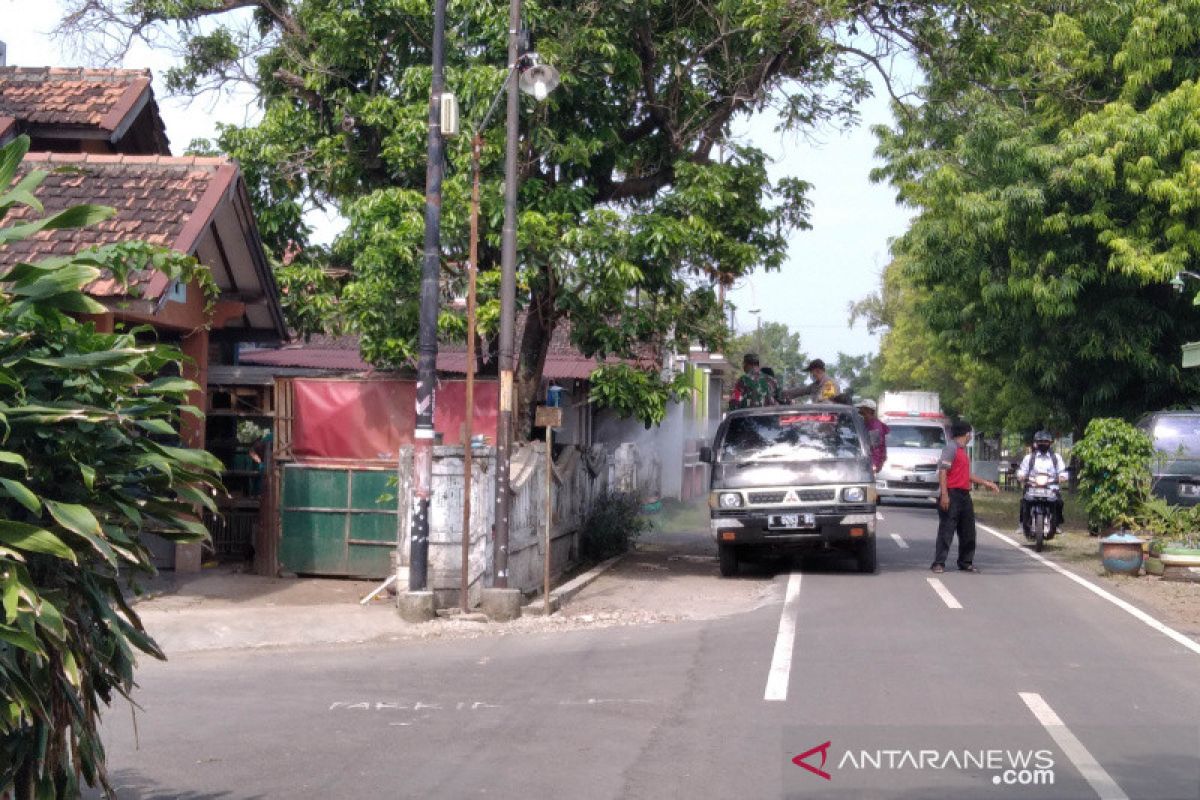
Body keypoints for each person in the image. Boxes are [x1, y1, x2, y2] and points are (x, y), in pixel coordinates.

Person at [932, 420, 999, 574]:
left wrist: (986, 483)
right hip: (952, 493)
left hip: (964, 495)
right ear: (967, 434)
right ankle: (939, 563)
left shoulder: (962, 451)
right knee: (947, 529)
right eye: (971, 433)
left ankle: (966, 562)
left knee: (968, 530)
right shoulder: (951, 448)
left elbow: (966, 475)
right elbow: (943, 471)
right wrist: (944, 494)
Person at [1017, 430, 1068, 532]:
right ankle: (1022, 523)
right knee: (1025, 501)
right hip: (1032, 486)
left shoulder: (1056, 458)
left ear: (1050, 443)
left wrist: (1062, 477)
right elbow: (1022, 470)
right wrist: (1021, 476)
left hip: (1051, 487)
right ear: (1036, 443)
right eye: (1040, 442)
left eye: (1045, 441)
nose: (1043, 444)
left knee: (1059, 502)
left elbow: (1062, 471)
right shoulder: (1029, 458)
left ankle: (1056, 524)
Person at [857, 398, 889, 472]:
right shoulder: (867, 424)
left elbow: (876, 447)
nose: (860, 412)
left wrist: (874, 464)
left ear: (869, 411)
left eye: (862, 411)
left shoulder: (874, 426)